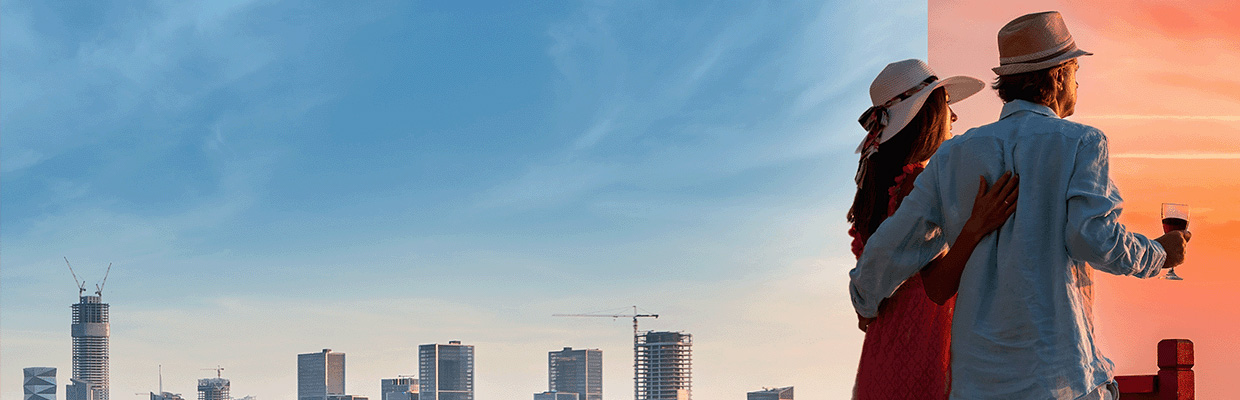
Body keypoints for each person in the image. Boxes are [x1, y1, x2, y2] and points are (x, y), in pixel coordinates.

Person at [848, 11, 1192, 399]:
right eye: (1076, 72)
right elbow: (1092, 238)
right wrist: (1159, 254)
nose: (1076, 83)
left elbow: (890, 249)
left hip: (977, 385)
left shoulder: (952, 157)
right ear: (1059, 74)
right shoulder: (1081, 143)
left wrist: (865, 296)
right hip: (1059, 378)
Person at [847, 59, 1018, 400]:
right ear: (926, 116)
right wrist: (976, 226)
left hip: (887, 346)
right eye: (945, 108)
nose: (953, 117)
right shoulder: (916, 183)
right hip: (919, 345)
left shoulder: (879, 187)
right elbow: (934, 284)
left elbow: (877, 282)